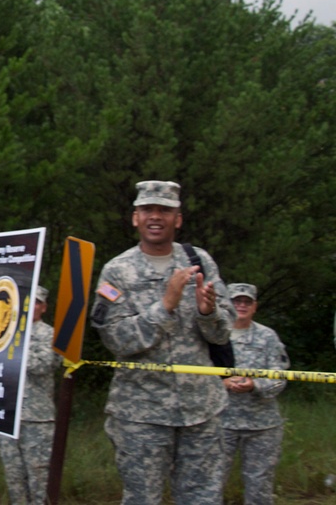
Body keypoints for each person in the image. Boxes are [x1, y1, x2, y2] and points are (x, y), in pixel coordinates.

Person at [90, 180, 236, 505]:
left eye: (165, 210)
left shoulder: (200, 261)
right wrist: (166, 304)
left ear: (178, 219)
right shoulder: (117, 271)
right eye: (148, 210)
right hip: (141, 414)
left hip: (202, 410)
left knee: (204, 499)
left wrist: (208, 312)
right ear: (135, 218)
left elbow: (222, 335)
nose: (156, 217)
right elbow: (115, 338)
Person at [219, 283, 289, 505]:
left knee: (259, 486)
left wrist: (255, 385)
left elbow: (280, 375)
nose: (241, 305)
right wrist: (221, 382)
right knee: (209, 483)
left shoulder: (267, 336)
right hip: (219, 422)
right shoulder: (214, 334)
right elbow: (194, 374)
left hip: (262, 424)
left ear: (254, 306)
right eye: (236, 301)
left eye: (246, 302)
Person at [0, 286, 62, 505]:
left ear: (43, 307)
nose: (29, 306)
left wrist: (13, 345)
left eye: (35, 302)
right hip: (6, 414)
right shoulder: (3, 328)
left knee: (39, 477)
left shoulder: (51, 334)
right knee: (14, 476)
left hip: (37, 418)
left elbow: (43, 365)